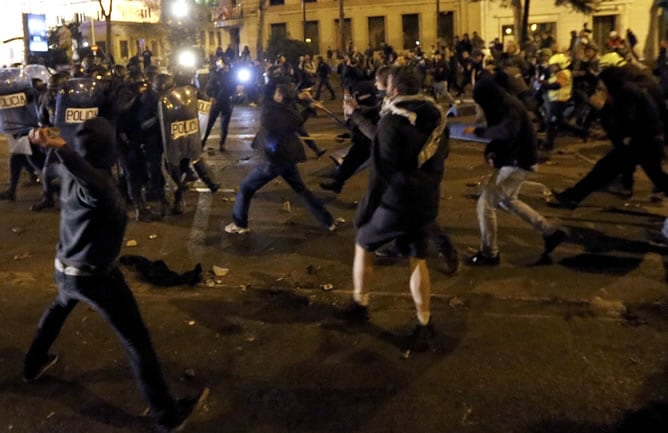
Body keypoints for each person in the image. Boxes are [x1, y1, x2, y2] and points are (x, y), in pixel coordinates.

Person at [23, 119, 208, 433]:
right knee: (137, 340)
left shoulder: (69, 171)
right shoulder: (99, 186)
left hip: (65, 268)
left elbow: (58, 166)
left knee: (57, 310)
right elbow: (92, 181)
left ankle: (32, 365)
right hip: (94, 277)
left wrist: (54, 148)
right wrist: (62, 148)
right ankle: (167, 414)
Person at [336, 66, 449, 352]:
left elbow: (380, 173)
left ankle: (360, 303)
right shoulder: (435, 117)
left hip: (397, 203)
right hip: (425, 200)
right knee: (417, 258)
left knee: (363, 243)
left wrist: (364, 211)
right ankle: (424, 321)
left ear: (394, 89)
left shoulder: (391, 121)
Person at [464, 77, 567, 266]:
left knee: (485, 204)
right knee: (508, 200)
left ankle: (490, 254)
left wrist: (479, 133)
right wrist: (491, 150)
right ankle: (550, 232)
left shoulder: (507, 106)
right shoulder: (505, 103)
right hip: (520, 161)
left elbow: (505, 132)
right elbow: (505, 135)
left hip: (518, 163)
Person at [549, 67, 668, 209]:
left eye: (602, 83)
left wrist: (601, 108)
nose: (600, 87)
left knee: (603, 170)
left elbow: (626, 121)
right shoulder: (626, 90)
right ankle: (572, 197)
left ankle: (572, 197)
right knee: (656, 176)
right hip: (645, 141)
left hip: (641, 142)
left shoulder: (626, 92)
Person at [224, 83, 335, 234]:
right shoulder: (292, 112)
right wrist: (308, 106)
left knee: (246, 187)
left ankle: (240, 224)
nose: (273, 95)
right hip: (289, 157)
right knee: (302, 190)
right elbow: (297, 121)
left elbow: (266, 100)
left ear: (280, 97)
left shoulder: (269, 111)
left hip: (274, 160)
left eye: (276, 92)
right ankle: (328, 221)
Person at [201, 58, 235, 152]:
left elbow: (234, 88)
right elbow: (209, 87)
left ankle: (222, 143)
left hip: (227, 101)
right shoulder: (216, 74)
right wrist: (211, 96)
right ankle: (202, 143)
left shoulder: (231, 75)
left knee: (225, 124)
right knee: (209, 123)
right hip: (216, 101)